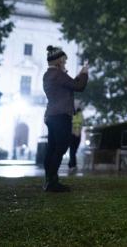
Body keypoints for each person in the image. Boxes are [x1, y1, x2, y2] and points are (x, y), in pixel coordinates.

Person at [42, 46, 88, 192]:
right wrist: (85, 73)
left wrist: (79, 74)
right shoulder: (58, 74)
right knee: (61, 147)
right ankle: (52, 182)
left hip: (51, 115)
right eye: (64, 61)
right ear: (59, 62)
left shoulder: (48, 74)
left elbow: (69, 85)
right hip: (61, 115)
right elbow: (79, 86)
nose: (65, 64)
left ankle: (49, 180)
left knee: (52, 148)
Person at [68, 107, 84, 172]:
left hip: (78, 134)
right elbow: (70, 123)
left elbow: (81, 124)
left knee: (74, 150)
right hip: (72, 134)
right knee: (72, 150)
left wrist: (78, 131)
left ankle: (71, 164)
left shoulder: (80, 114)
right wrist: (73, 131)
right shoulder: (70, 113)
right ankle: (72, 165)